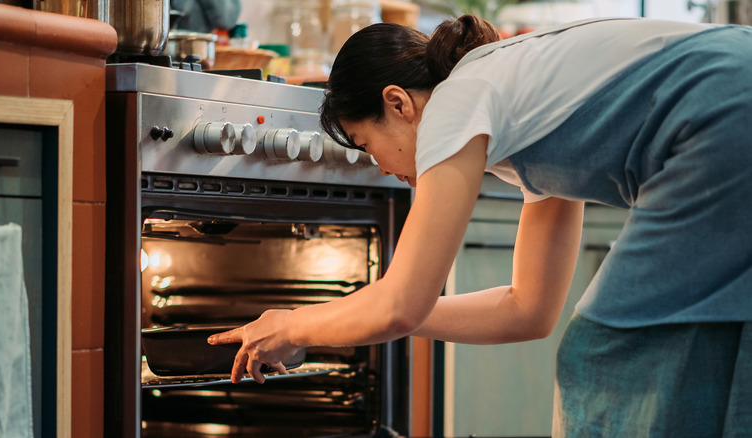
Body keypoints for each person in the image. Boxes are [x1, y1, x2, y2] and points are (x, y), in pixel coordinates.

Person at [207, 14, 752, 436]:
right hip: (731, 101)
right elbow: (528, 309)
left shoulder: (456, 99)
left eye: (371, 148)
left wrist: (297, 324)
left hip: (721, 117)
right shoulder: (521, 111)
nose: (387, 172)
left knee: (608, 359)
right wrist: (365, 317)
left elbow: (401, 303)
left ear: (397, 104)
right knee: (724, 346)